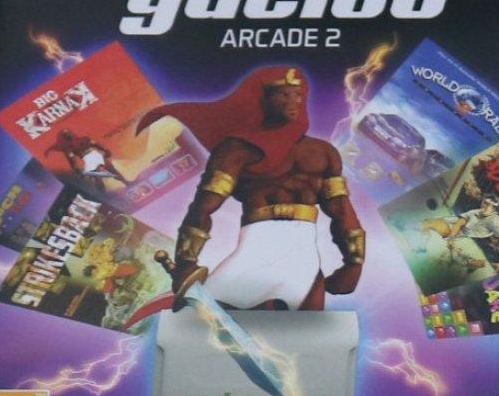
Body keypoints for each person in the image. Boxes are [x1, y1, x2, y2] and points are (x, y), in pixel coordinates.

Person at [141, 65, 365, 311]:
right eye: (284, 94)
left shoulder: (324, 153)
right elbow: (204, 208)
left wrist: (354, 263)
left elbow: (341, 209)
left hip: (303, 254)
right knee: (203, 319)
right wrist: (185, 262)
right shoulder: (235, 151)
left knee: (303, 330)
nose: (293, 101)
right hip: (255, 246)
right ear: (263, 100)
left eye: (297, 94)